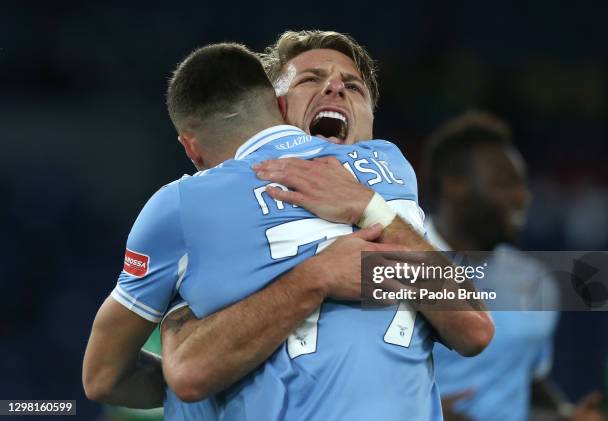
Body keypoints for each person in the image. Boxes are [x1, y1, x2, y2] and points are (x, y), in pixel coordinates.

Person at [83, 33, 492, 419]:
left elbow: (112, 376)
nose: (335, 88)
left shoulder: (184, 207)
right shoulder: (390, 167)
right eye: (311, 79)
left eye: (354, 87)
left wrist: (367, 206)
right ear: (274, 109)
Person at [420, 111, 605, 421]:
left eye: (523, 184)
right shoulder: (388, 268)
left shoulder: (534, 280)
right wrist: (421, 412)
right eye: (505, 183)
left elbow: (529, 378)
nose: (523, 196)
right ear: (454, 185)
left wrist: (564, 415)